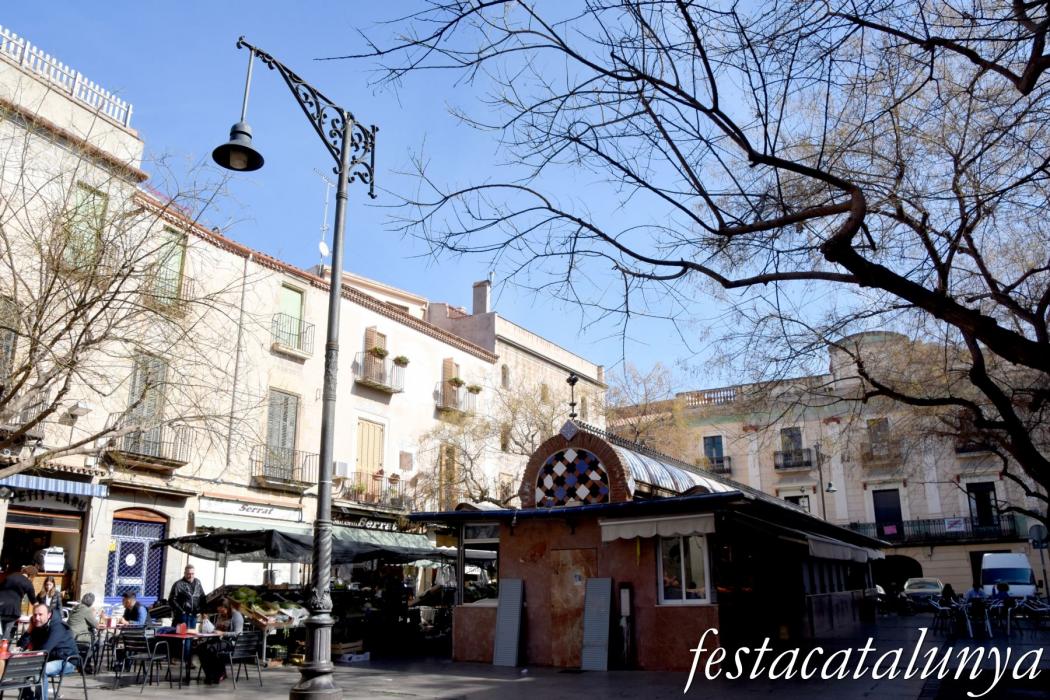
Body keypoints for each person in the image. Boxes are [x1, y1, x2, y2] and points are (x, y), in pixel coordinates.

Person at [19, 603, 77, 700]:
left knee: (39, 670)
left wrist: (31, 657)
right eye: (35, 615)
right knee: (16, 671)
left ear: (49, 615)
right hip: (46, 660)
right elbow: (20, 646)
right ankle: (28, 697)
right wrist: (29, 630)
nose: (37, 618)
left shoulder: (57, 627)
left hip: (66, 660)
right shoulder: (37, 625)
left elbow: (45, 648)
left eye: (40, 614)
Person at [198, 599, 243, 684]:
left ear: (227, 608)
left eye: (222, 611)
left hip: (230, 642)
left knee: (211, 649)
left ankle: (218, 673)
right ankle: (209, 673)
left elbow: (237, 633)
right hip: (217, 639)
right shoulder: (220, 615)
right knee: (200, 648)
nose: (221, 614)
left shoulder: (236, 616)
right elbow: (216, 628)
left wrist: (223, 633)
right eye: (219, 611)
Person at [168, 565, 205, 662]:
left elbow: (202, 597)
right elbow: (172, 600)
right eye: (188, 574)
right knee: (181, 637)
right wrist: (181, 611)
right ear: (185, 573)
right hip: (183, 616)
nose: (191, 576)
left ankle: (186, 659)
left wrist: (201, 610)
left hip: (193, 615)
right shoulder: (178, 584)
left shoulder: (198, 582)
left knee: (190, 638)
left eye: (192, 573)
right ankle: (184, 659)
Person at [0, 564, 36, 640]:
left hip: (1, 606)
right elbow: (34, 601)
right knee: (6, 635)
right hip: (13, 611)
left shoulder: (10, 576)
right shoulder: (28, 583)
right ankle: (4, 648)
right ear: (31, 575)